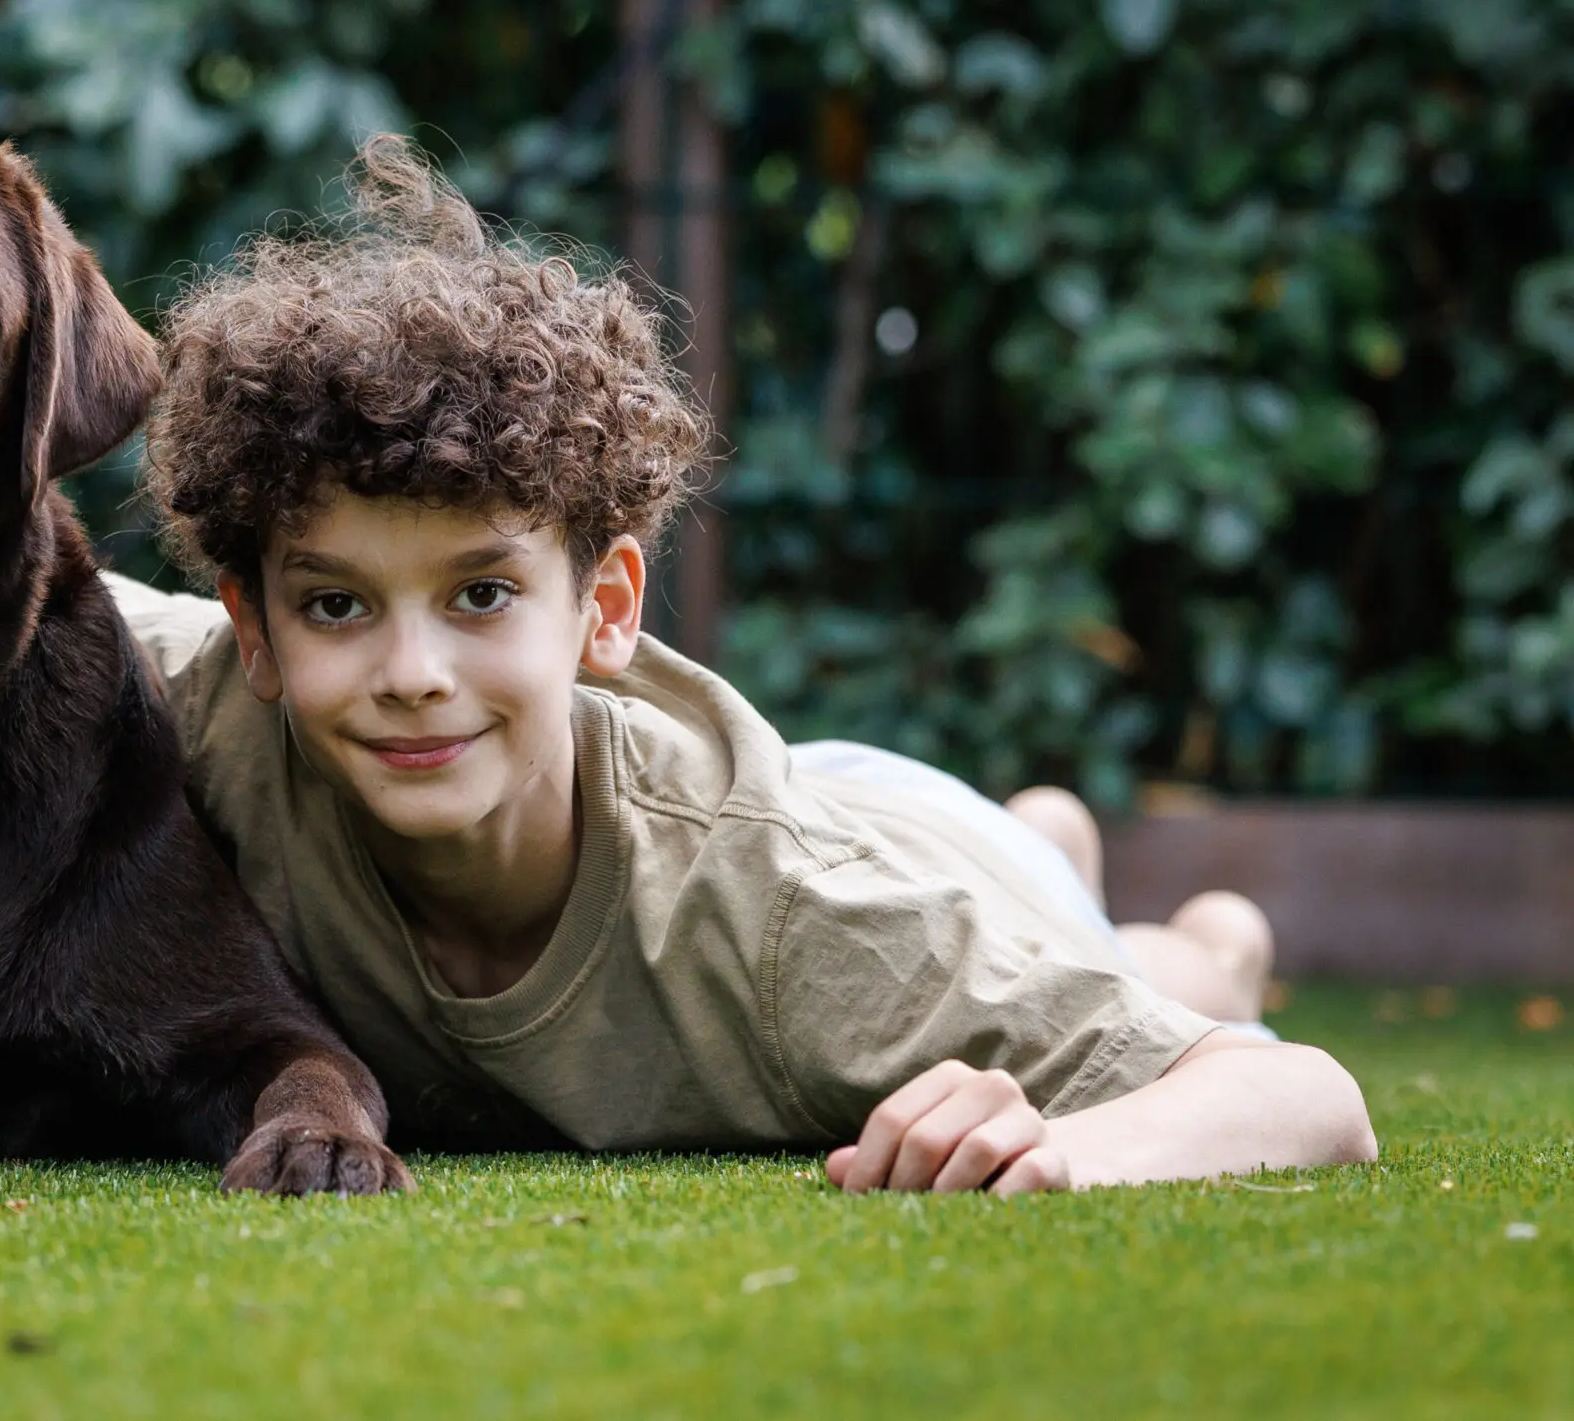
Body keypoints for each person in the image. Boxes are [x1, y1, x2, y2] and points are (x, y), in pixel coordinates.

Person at [108, 137, 1375, 1194]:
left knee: (1134, 968)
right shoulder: (199, 702)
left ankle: (1197, 926)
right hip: (787, 782)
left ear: (603, 608)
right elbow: (25, 609)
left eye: (482, 592)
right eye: (335, 604)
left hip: (884, 837)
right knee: (1030, 874)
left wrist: (1059, 1149)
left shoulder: (794, 926)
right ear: (253, 627)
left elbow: (1305, 1095)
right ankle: (1049, 833)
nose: (412, 670)